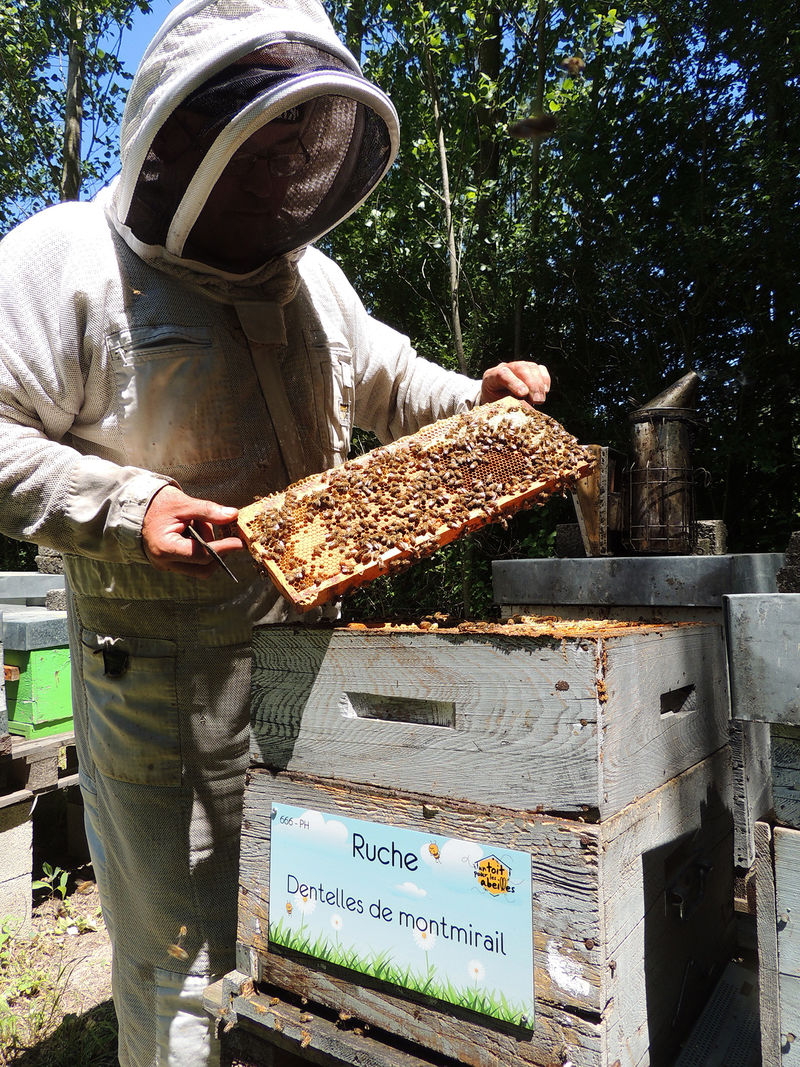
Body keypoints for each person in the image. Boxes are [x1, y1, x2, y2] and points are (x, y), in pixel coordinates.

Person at [0, 1, 550, 1064]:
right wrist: (132, 505)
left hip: (312, 658)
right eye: (254, 152)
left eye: (291, 155)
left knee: (308, 924)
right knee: (183, 955)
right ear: (184, 140)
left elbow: (397, 386)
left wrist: (480, 399)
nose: (275, 177)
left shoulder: (313, 283)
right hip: (158, 676)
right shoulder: (60, 258)